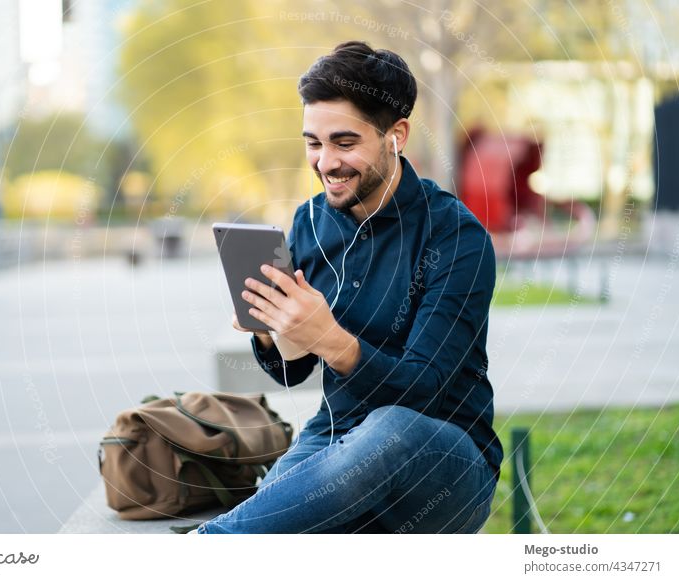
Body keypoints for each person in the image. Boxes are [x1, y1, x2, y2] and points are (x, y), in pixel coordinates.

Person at [196, 40, 503, 534]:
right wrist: (268, 330)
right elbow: (291, 373)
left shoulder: (456, 237)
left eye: (344, 142)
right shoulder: (308, 222)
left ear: (395, 135)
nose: (325, 163)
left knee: (390, 430)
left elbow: (423, 391)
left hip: (442, 464)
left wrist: (330, 340)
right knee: (271, 520)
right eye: (313, 143)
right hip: (335, 440)